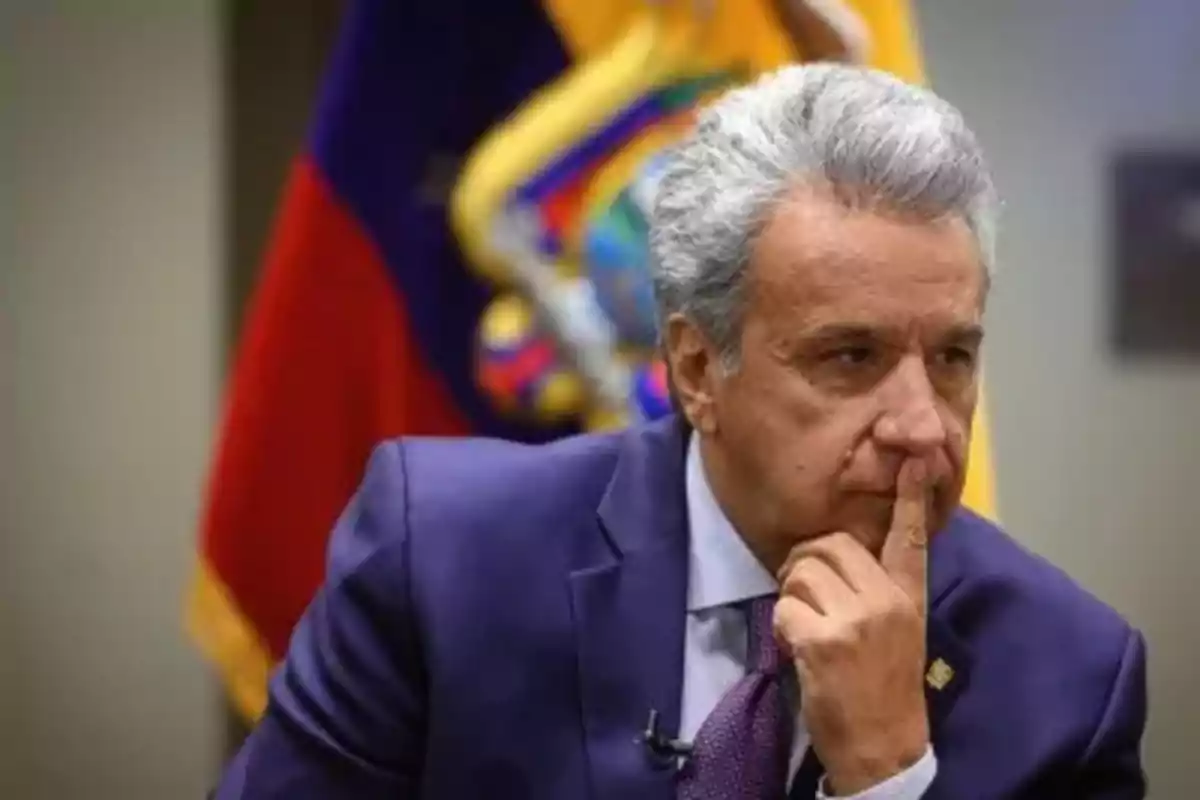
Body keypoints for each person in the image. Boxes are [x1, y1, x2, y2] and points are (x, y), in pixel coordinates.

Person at [214, 63, 1147, 799]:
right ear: (698, 369)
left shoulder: (1068, 681)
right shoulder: (443, 566)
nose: (921, 426)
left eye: (951, 358)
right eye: (851, 358)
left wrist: (886, 779)